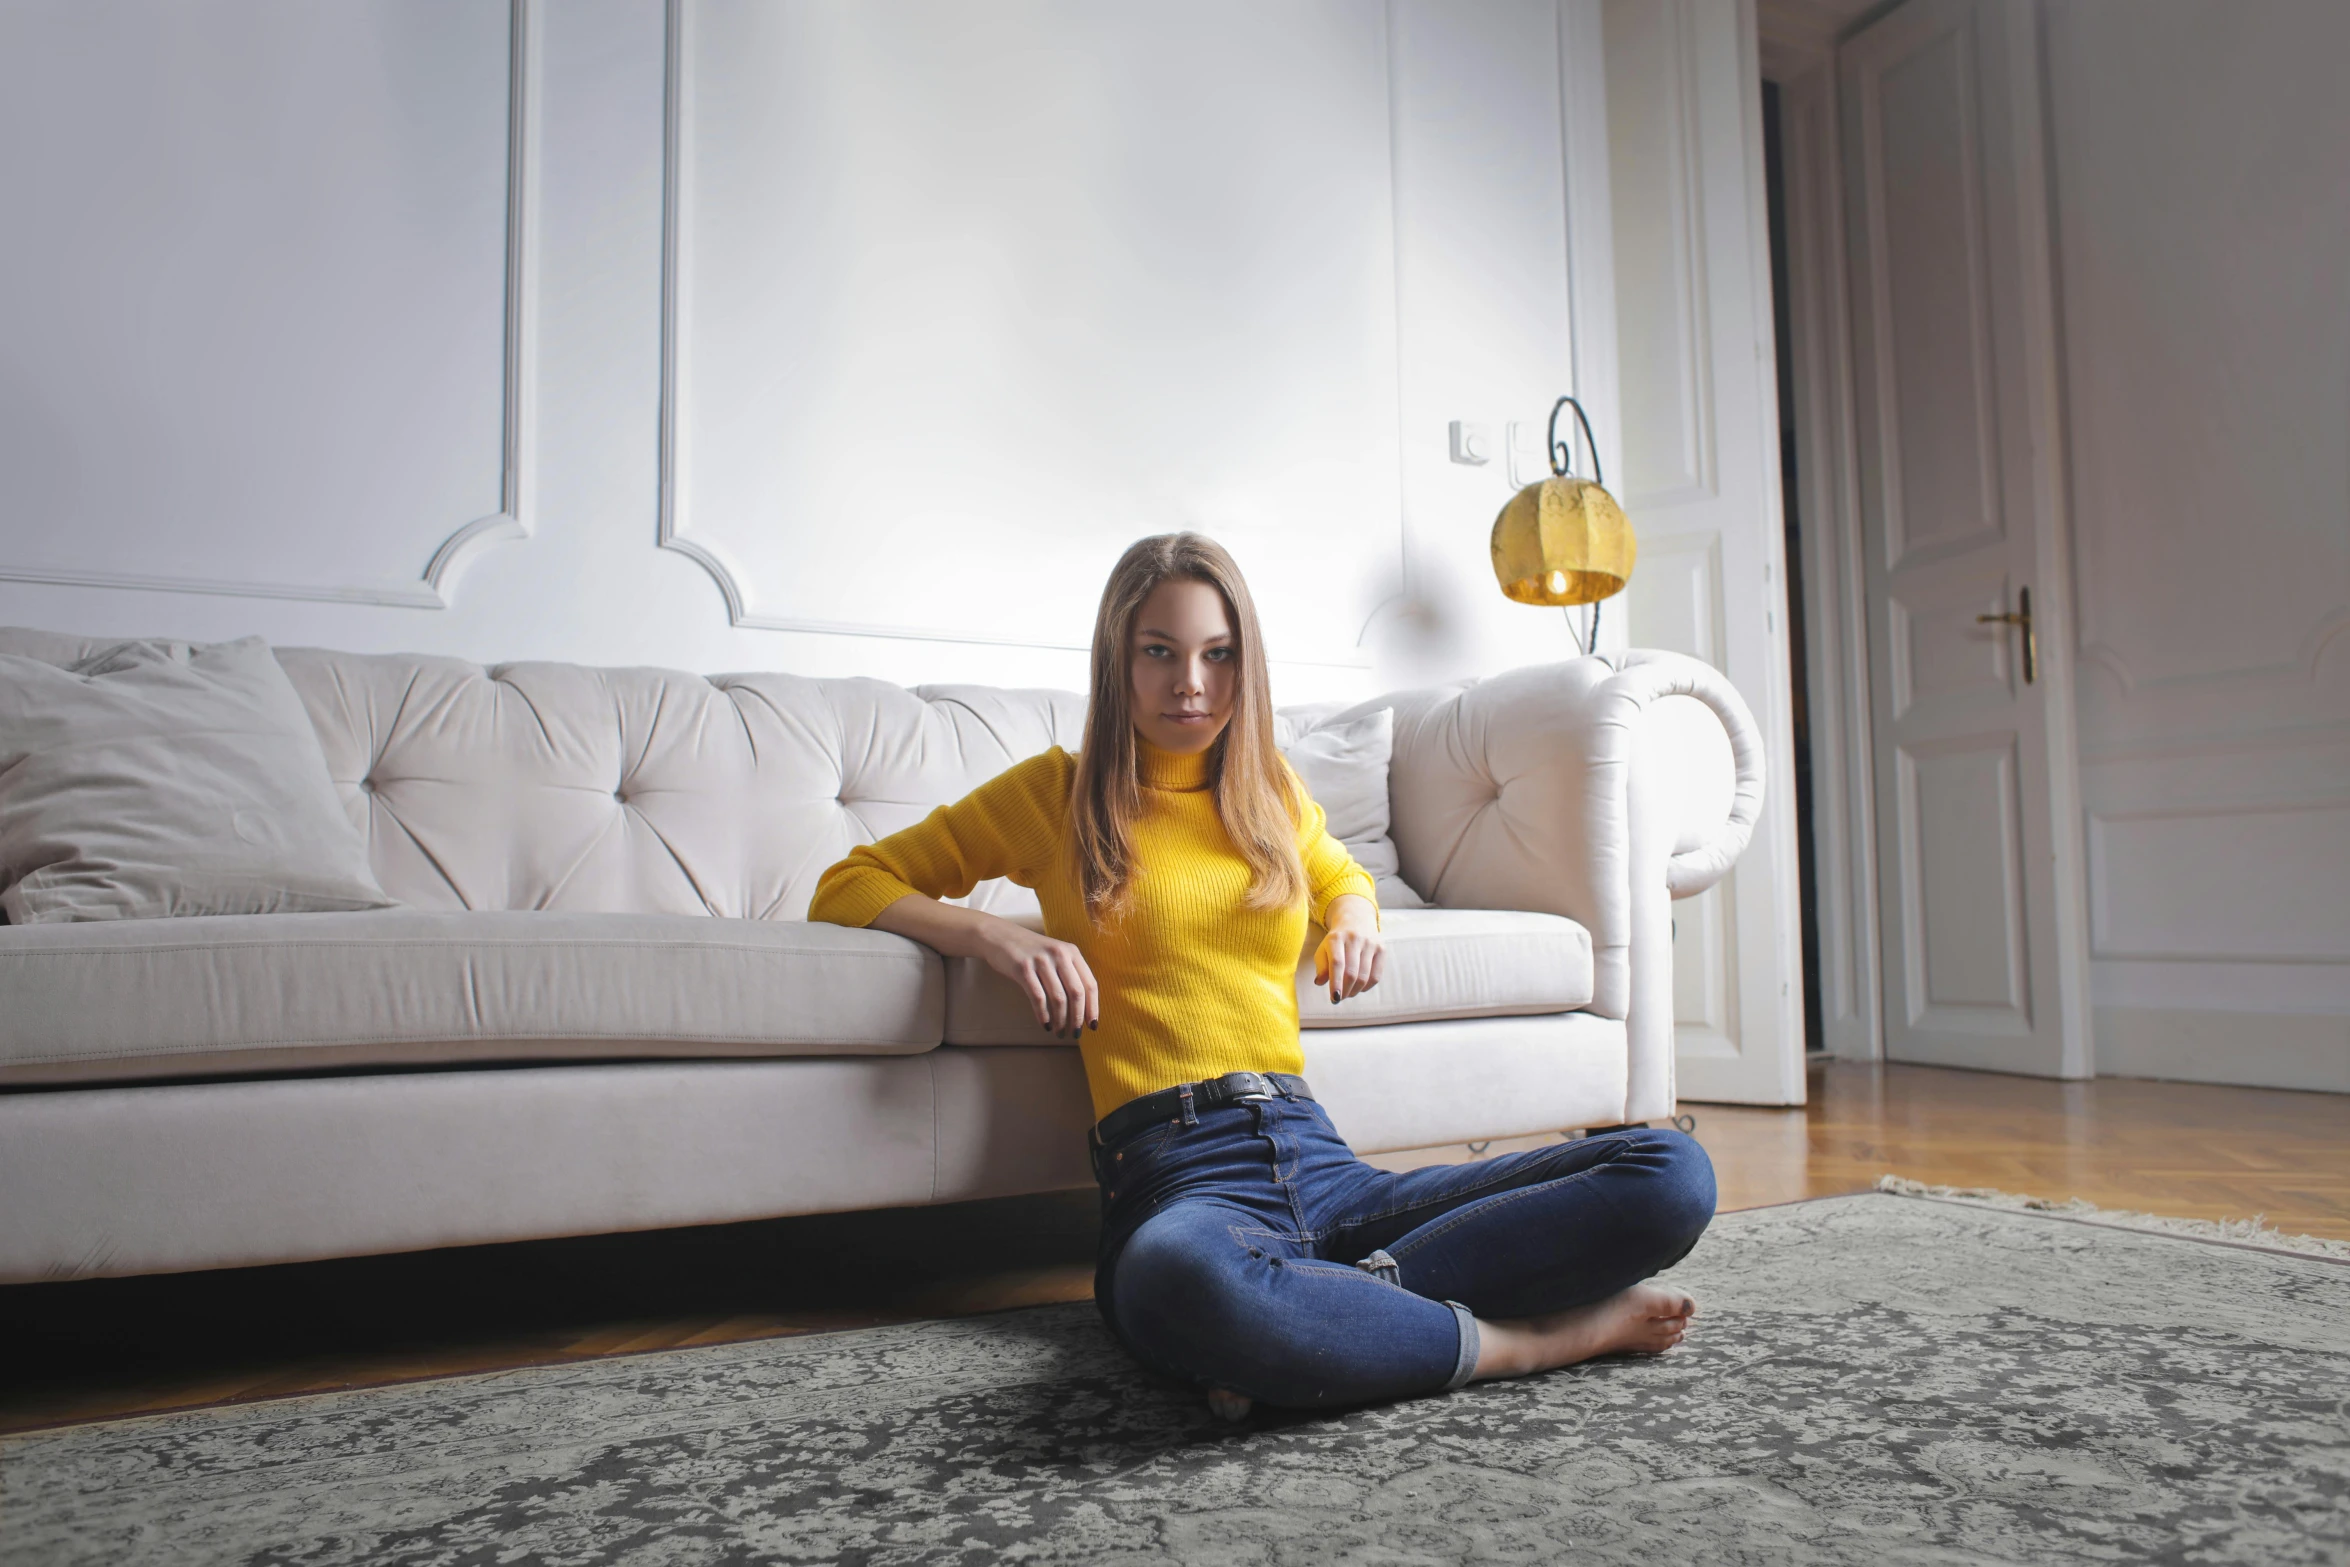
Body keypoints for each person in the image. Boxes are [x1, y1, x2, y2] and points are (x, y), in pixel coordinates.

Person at [809, 532, 1714, 1416]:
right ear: (1117, 660)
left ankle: (1318, 1317)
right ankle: (1532, 1341)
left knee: (1670, 1170)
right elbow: (849, 882)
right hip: (1177, 1178)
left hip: (1319, 1159)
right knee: (1183, 1281)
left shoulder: (1265, 791)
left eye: (1218, 653)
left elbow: (1340, 874)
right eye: (1159, 651)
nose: (1190, 683)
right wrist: (996, 938)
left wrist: (1356, 915)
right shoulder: (1059, 794)